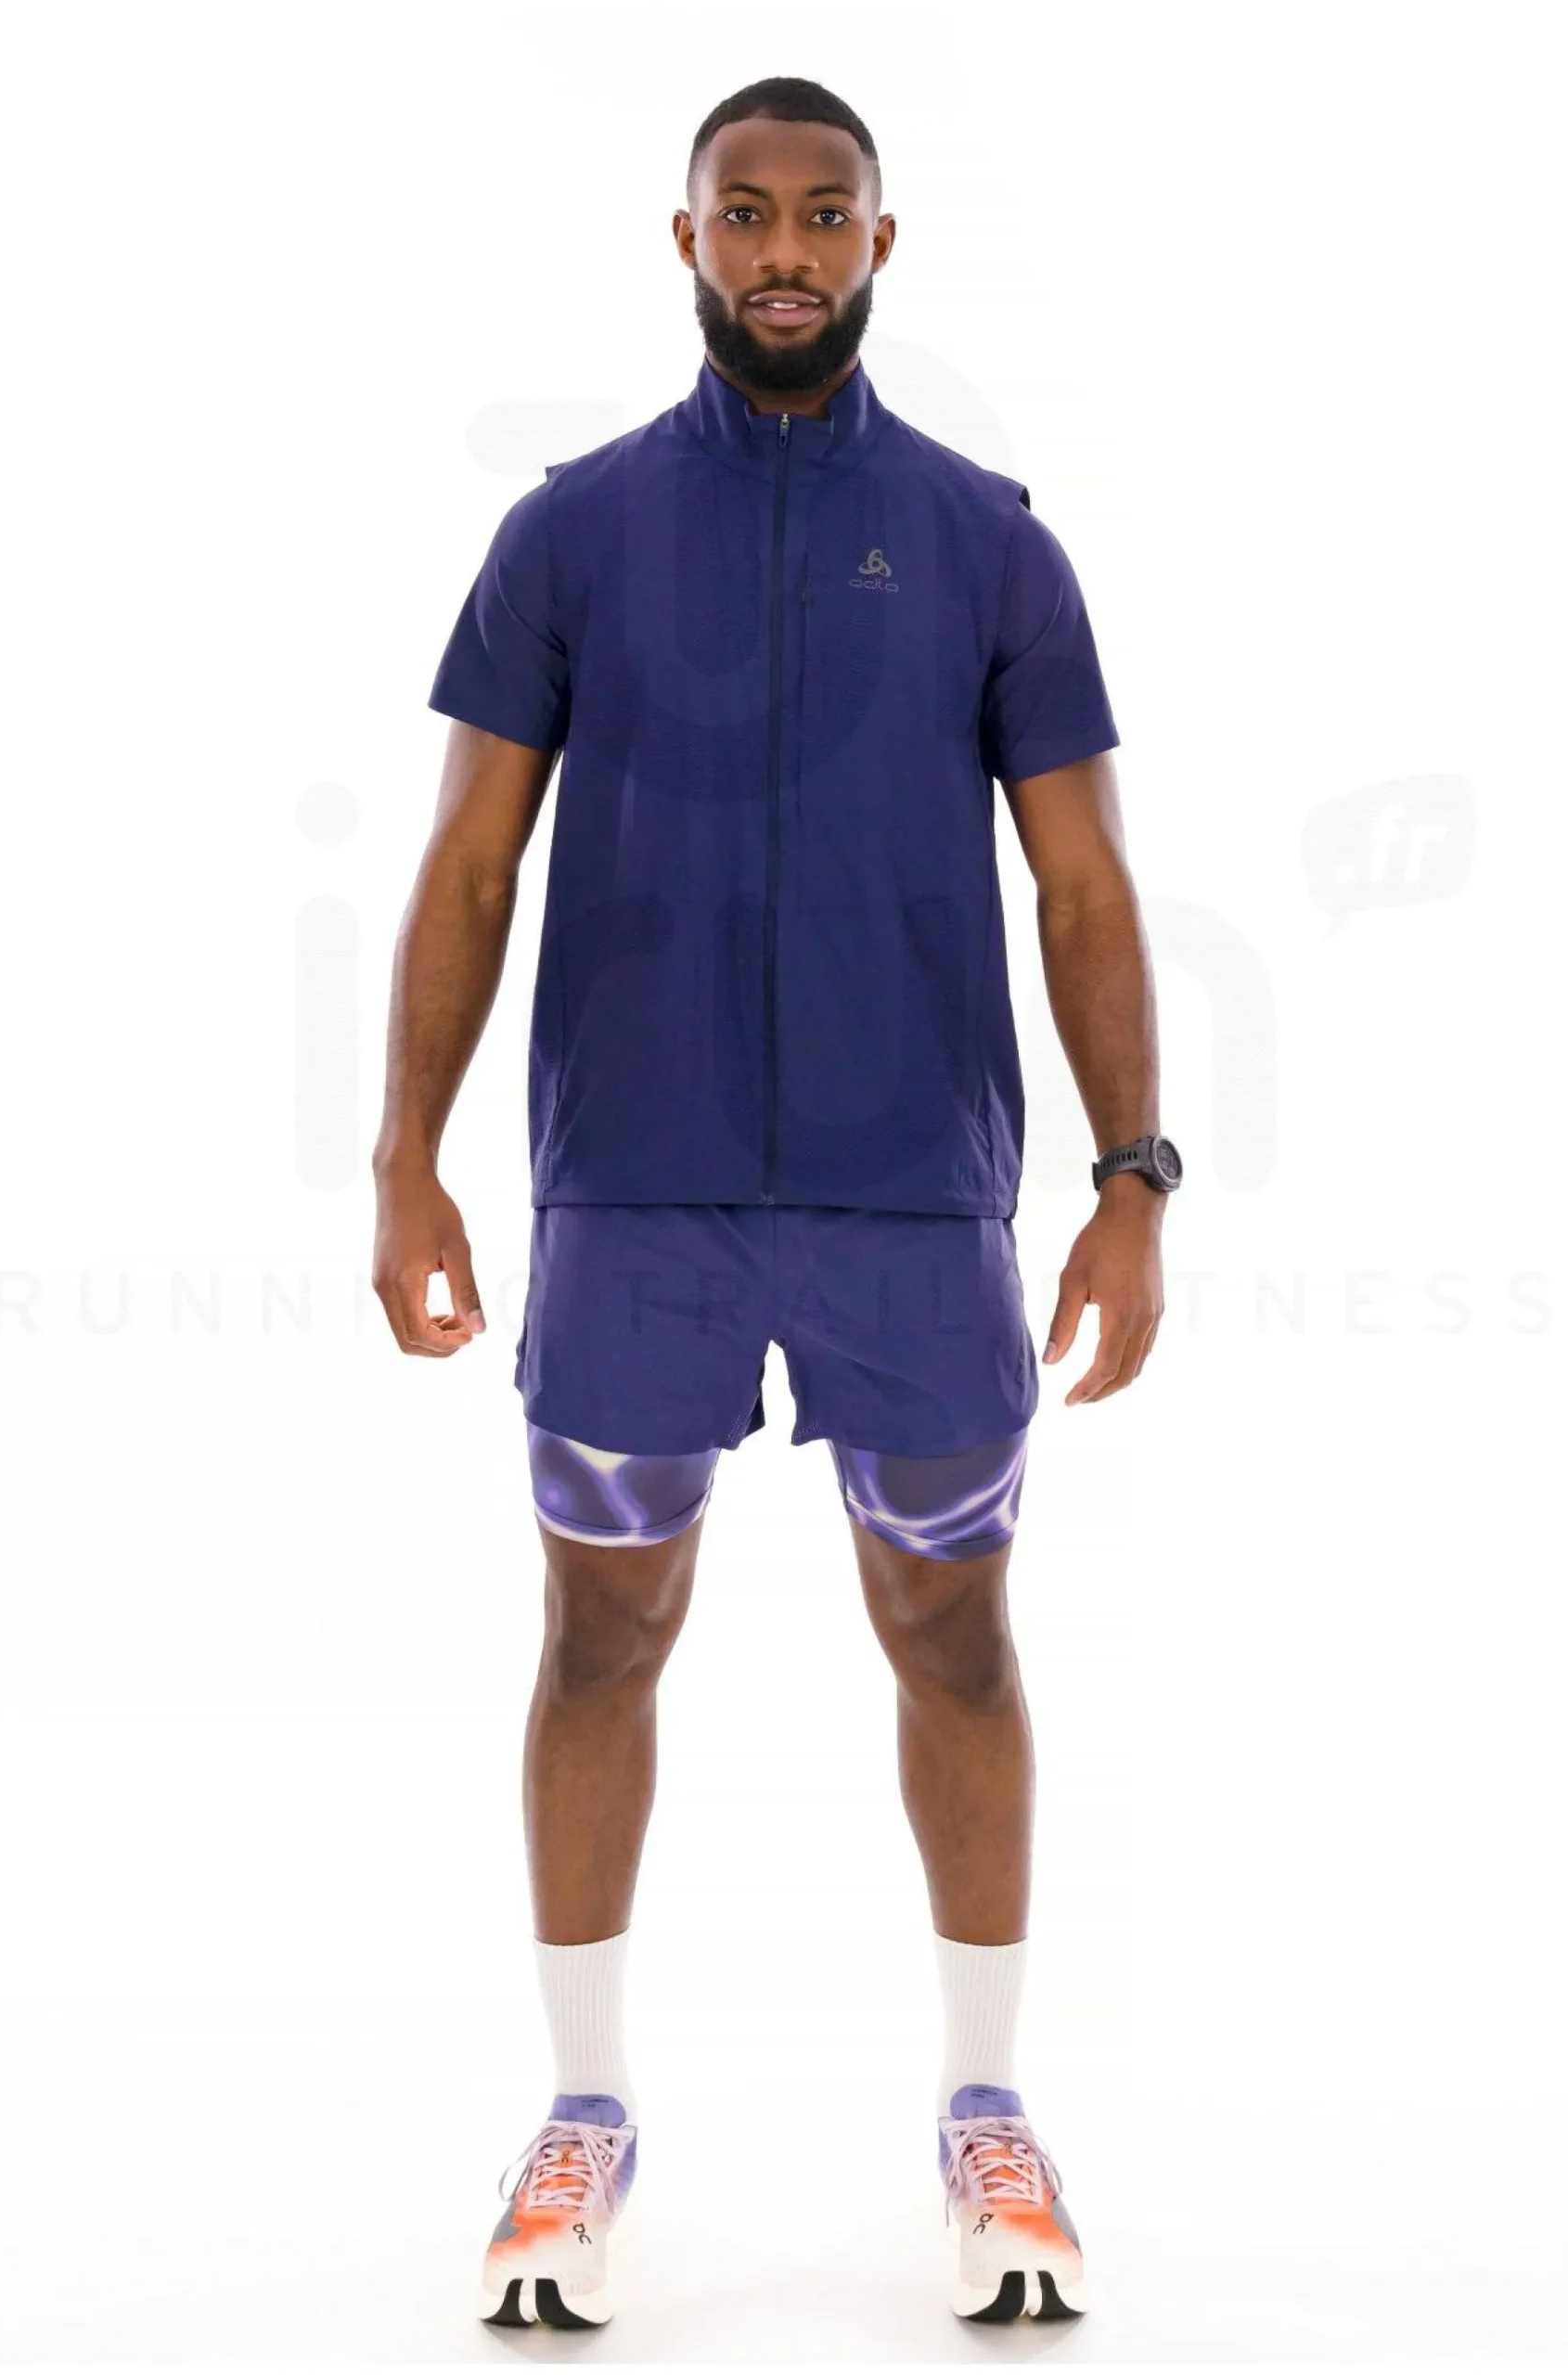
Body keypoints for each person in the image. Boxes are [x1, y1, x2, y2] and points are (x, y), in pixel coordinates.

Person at [371, 73, 1178, 2332]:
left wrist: (1129, 1176)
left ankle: (987, 2103)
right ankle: (582, 2108)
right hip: (627, 1196)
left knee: (956, 1635)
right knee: (597, 1633)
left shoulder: (991, 543)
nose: (785, 249)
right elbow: (466, 859)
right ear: (688, 239)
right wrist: (403, 1153)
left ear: (879, 243)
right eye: (747, 212)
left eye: (824, 213)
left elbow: (1085, 880)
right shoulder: (568, 534)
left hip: (911, 1203)